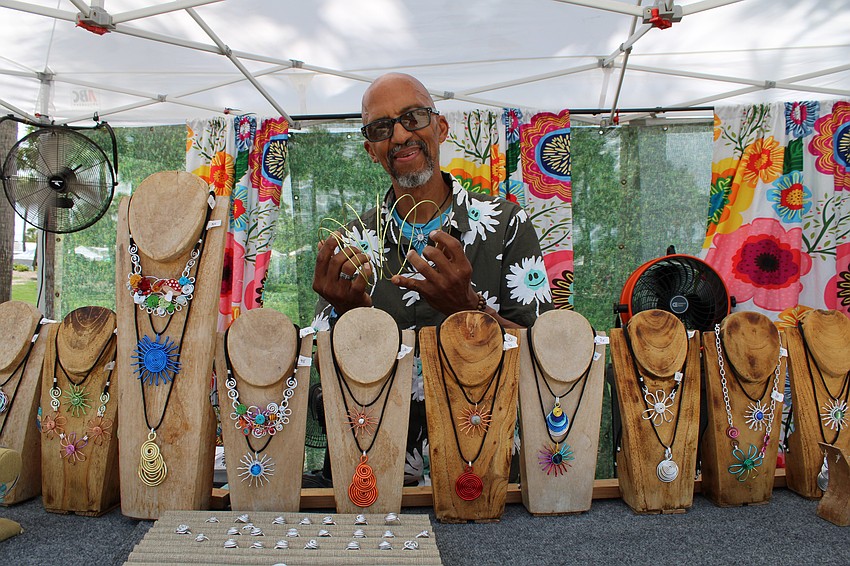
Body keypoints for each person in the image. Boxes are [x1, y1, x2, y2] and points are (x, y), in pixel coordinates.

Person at [312, 72, 552, 485]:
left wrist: (468, 308)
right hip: (372, 470)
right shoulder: (352, 243)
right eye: (382, 128)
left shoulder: (506, 225)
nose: (401, 134)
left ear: (440, 127)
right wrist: (352, 320)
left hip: (484, 467)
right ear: (372, 150)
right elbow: (321, 377)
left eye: (413, 117)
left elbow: (546, 359)